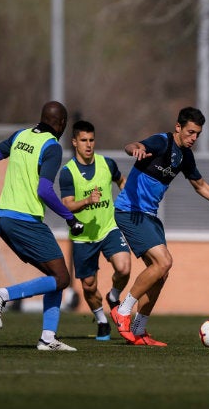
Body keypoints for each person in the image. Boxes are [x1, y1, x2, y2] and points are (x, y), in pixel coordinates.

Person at [111, 106, 209, 346]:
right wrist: (135, 149)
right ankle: (122, 312)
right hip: (130, 211)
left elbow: (200, 186)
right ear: (178, 127)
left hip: (150, 216)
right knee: (164, 261)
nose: (194, 138)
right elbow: (134, 146)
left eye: (198, 134)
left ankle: (138, 331)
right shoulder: (162, 142)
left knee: (161, 273)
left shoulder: (186, 156)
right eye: (190, 132)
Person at [0, 101, 83, 352]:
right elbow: (45, 190)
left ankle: (48, 338)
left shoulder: (21, 136)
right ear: (61, 124)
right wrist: (70, 219)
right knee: (62, 277)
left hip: (3, 219)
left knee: (56, 277)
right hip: (24, 220)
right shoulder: (52, 147)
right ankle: (1, 294)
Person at [59, 120, 131, 341]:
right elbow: (66, 205)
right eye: (83, 140)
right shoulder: (67, 172)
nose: (88, 144)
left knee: (124, 268)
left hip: (108, 228)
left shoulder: (107, 164)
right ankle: (101, 321)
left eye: (91, 140)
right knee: (89, 288)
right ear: (75, 142)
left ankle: (114, 296)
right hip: (83, 237)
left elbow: (121, 181)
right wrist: (87, 201)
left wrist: (129, 201)